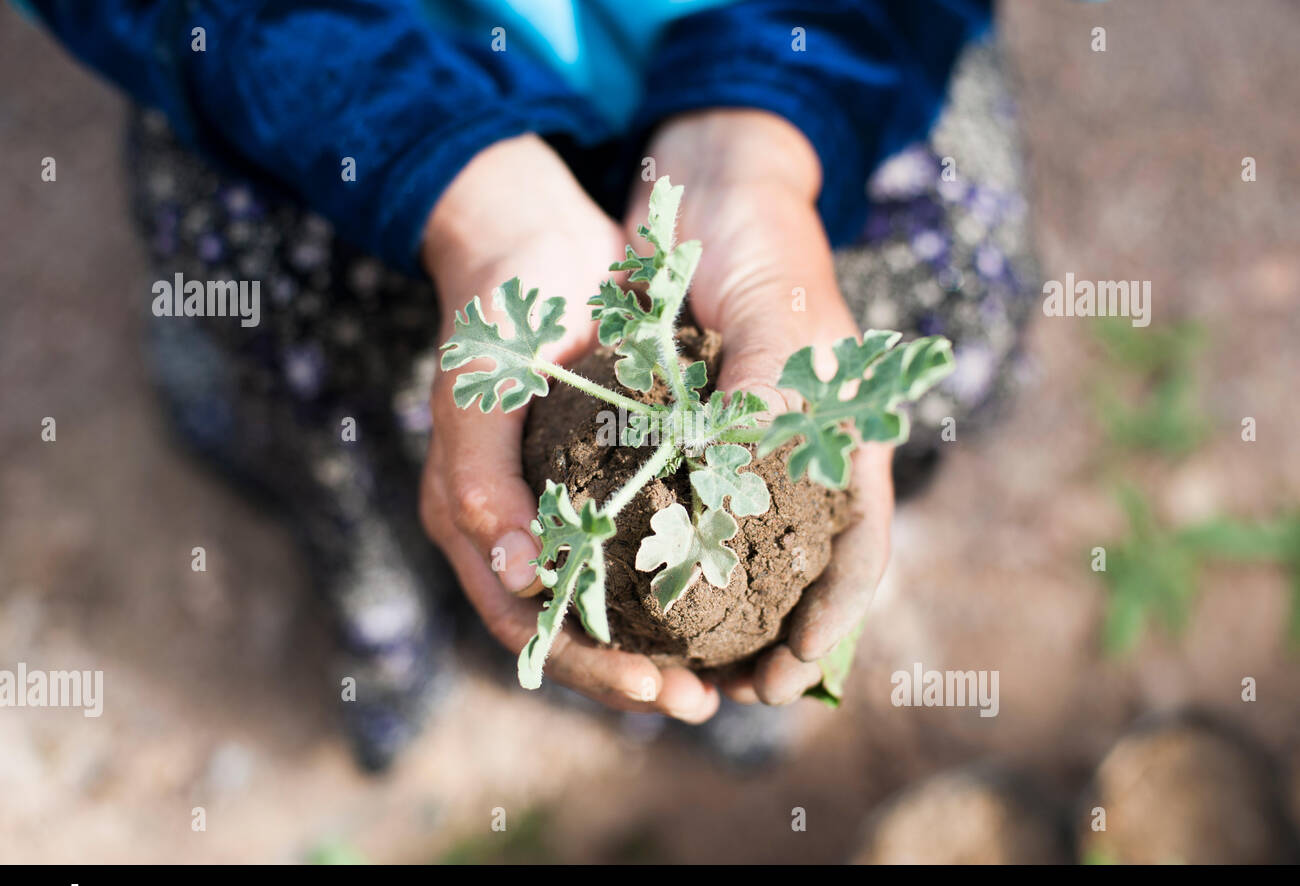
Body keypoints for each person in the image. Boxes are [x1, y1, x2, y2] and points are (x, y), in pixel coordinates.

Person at [23, 1, 1031, 768]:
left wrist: (761, 135)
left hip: (785, 39)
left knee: (947, 267)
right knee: (282, 310)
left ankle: (715, 662)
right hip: (328, 74)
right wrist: (461, 185)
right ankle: (377, 579)